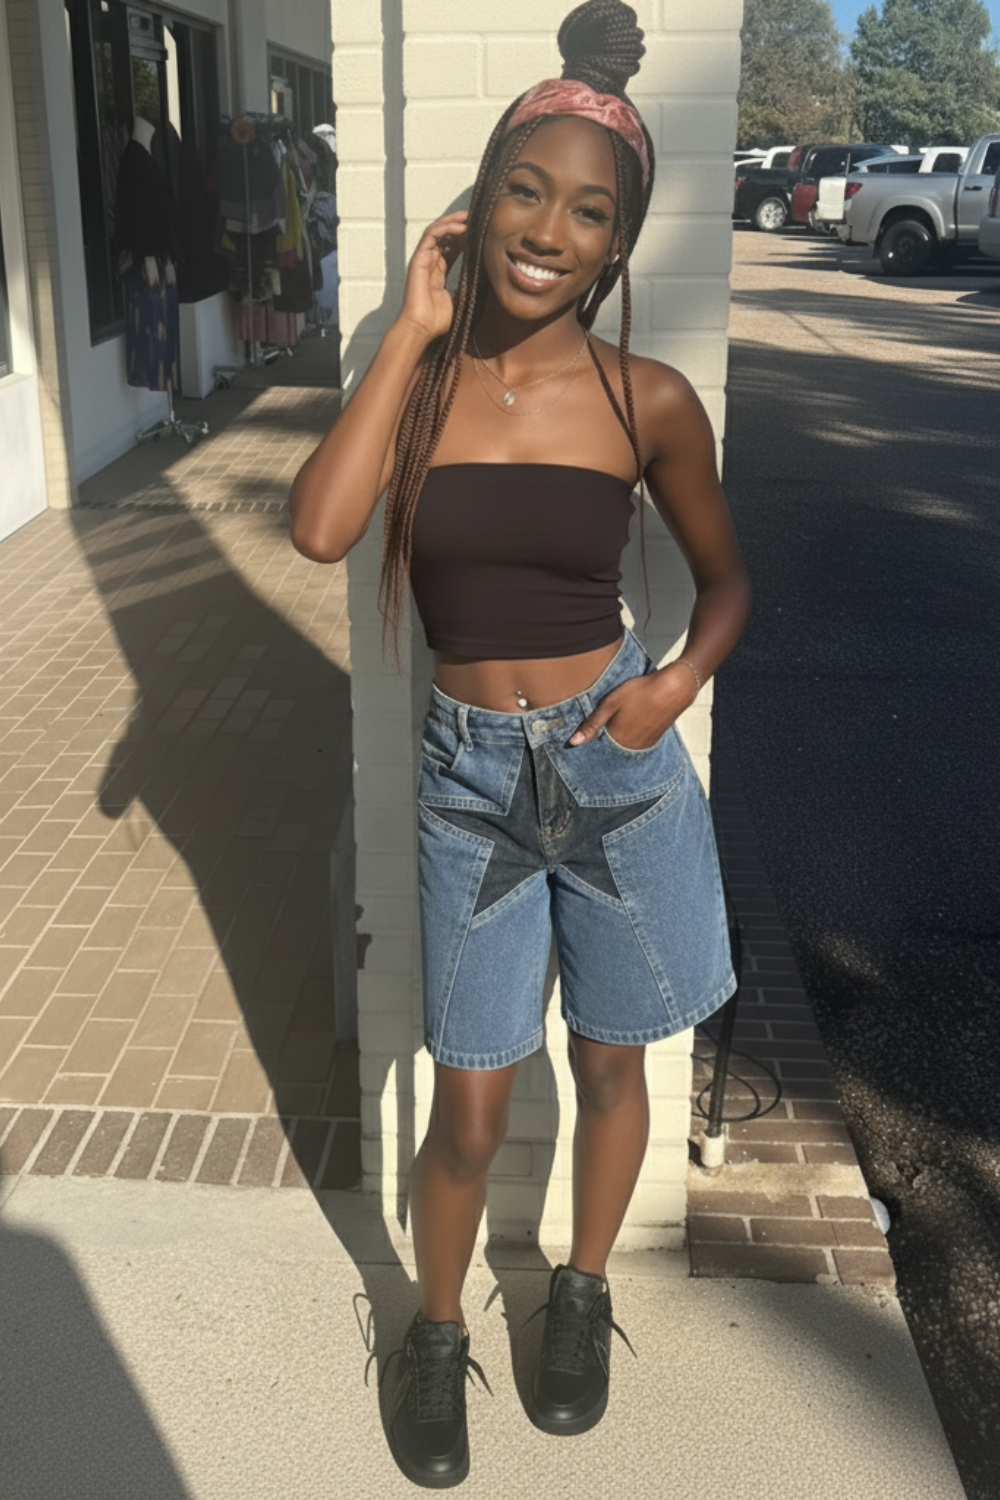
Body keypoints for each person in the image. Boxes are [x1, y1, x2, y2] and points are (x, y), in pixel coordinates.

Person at [290, 0, 751, 1487]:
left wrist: (675, 686)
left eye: (587, 212)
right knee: (471, 1097)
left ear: (617, 246)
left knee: (614, 1069)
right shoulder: (418, 384)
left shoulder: (645, 399)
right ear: (481, 202)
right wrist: (410, 332)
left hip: (616, 766)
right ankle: (434, 1332)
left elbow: (727, 584)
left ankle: (582, 1294)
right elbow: (320, 529)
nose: (549, 230)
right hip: (470, 781)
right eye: (525, 192)